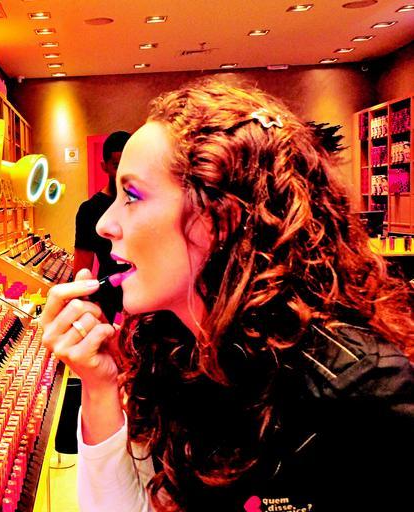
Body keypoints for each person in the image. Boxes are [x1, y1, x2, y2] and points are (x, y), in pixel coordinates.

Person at [40, 79, 414, 511]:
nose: (104, 224)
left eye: (133, 196)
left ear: (221, 215)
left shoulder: (361, 392)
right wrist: (99, 386)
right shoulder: (172, 348)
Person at [74, 130, 131, 323]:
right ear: (104, 166)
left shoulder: (145, 205)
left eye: (128, 165)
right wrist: (95, 312)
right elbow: (81, 274)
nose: (123, 173)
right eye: (117, 166)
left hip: (147, 303)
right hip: (108, 302)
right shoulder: (89, 210)